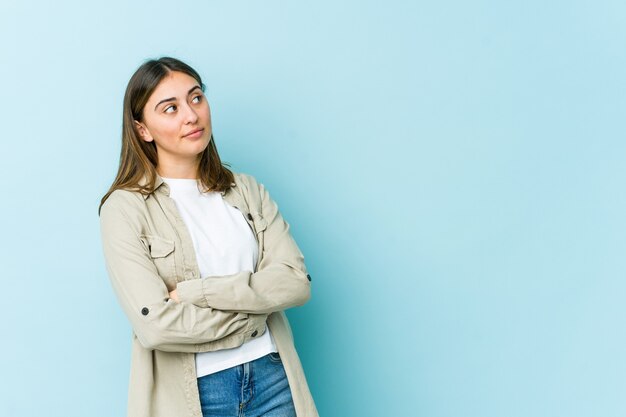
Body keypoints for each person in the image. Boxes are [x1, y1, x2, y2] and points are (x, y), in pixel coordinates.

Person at [99, 57, 318, 417]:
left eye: (196, 98)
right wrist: (252, 320)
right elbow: (155, 325)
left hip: (273, 378)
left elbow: (295, 283)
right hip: (197, 394)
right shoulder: (124, 208)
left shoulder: (246, 190)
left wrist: (195, 293)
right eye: (170, 108)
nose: (191, 115)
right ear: (143, 130)